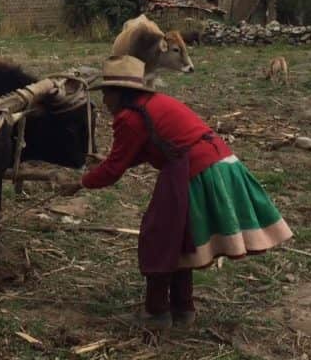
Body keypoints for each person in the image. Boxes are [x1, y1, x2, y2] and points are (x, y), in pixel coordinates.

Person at [63, 55, 292, 329]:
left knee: (159, 235)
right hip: (218, 163)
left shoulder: (130, 117)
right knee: (179, 236)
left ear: (120, 93)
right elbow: (139, 151)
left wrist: (80, 182)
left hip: (195, 170)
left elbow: (114, 170)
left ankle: (156, 312)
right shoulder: (151, 104)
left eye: (107, 94)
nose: (104, 103)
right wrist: (110, 162)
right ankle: (182, 308)